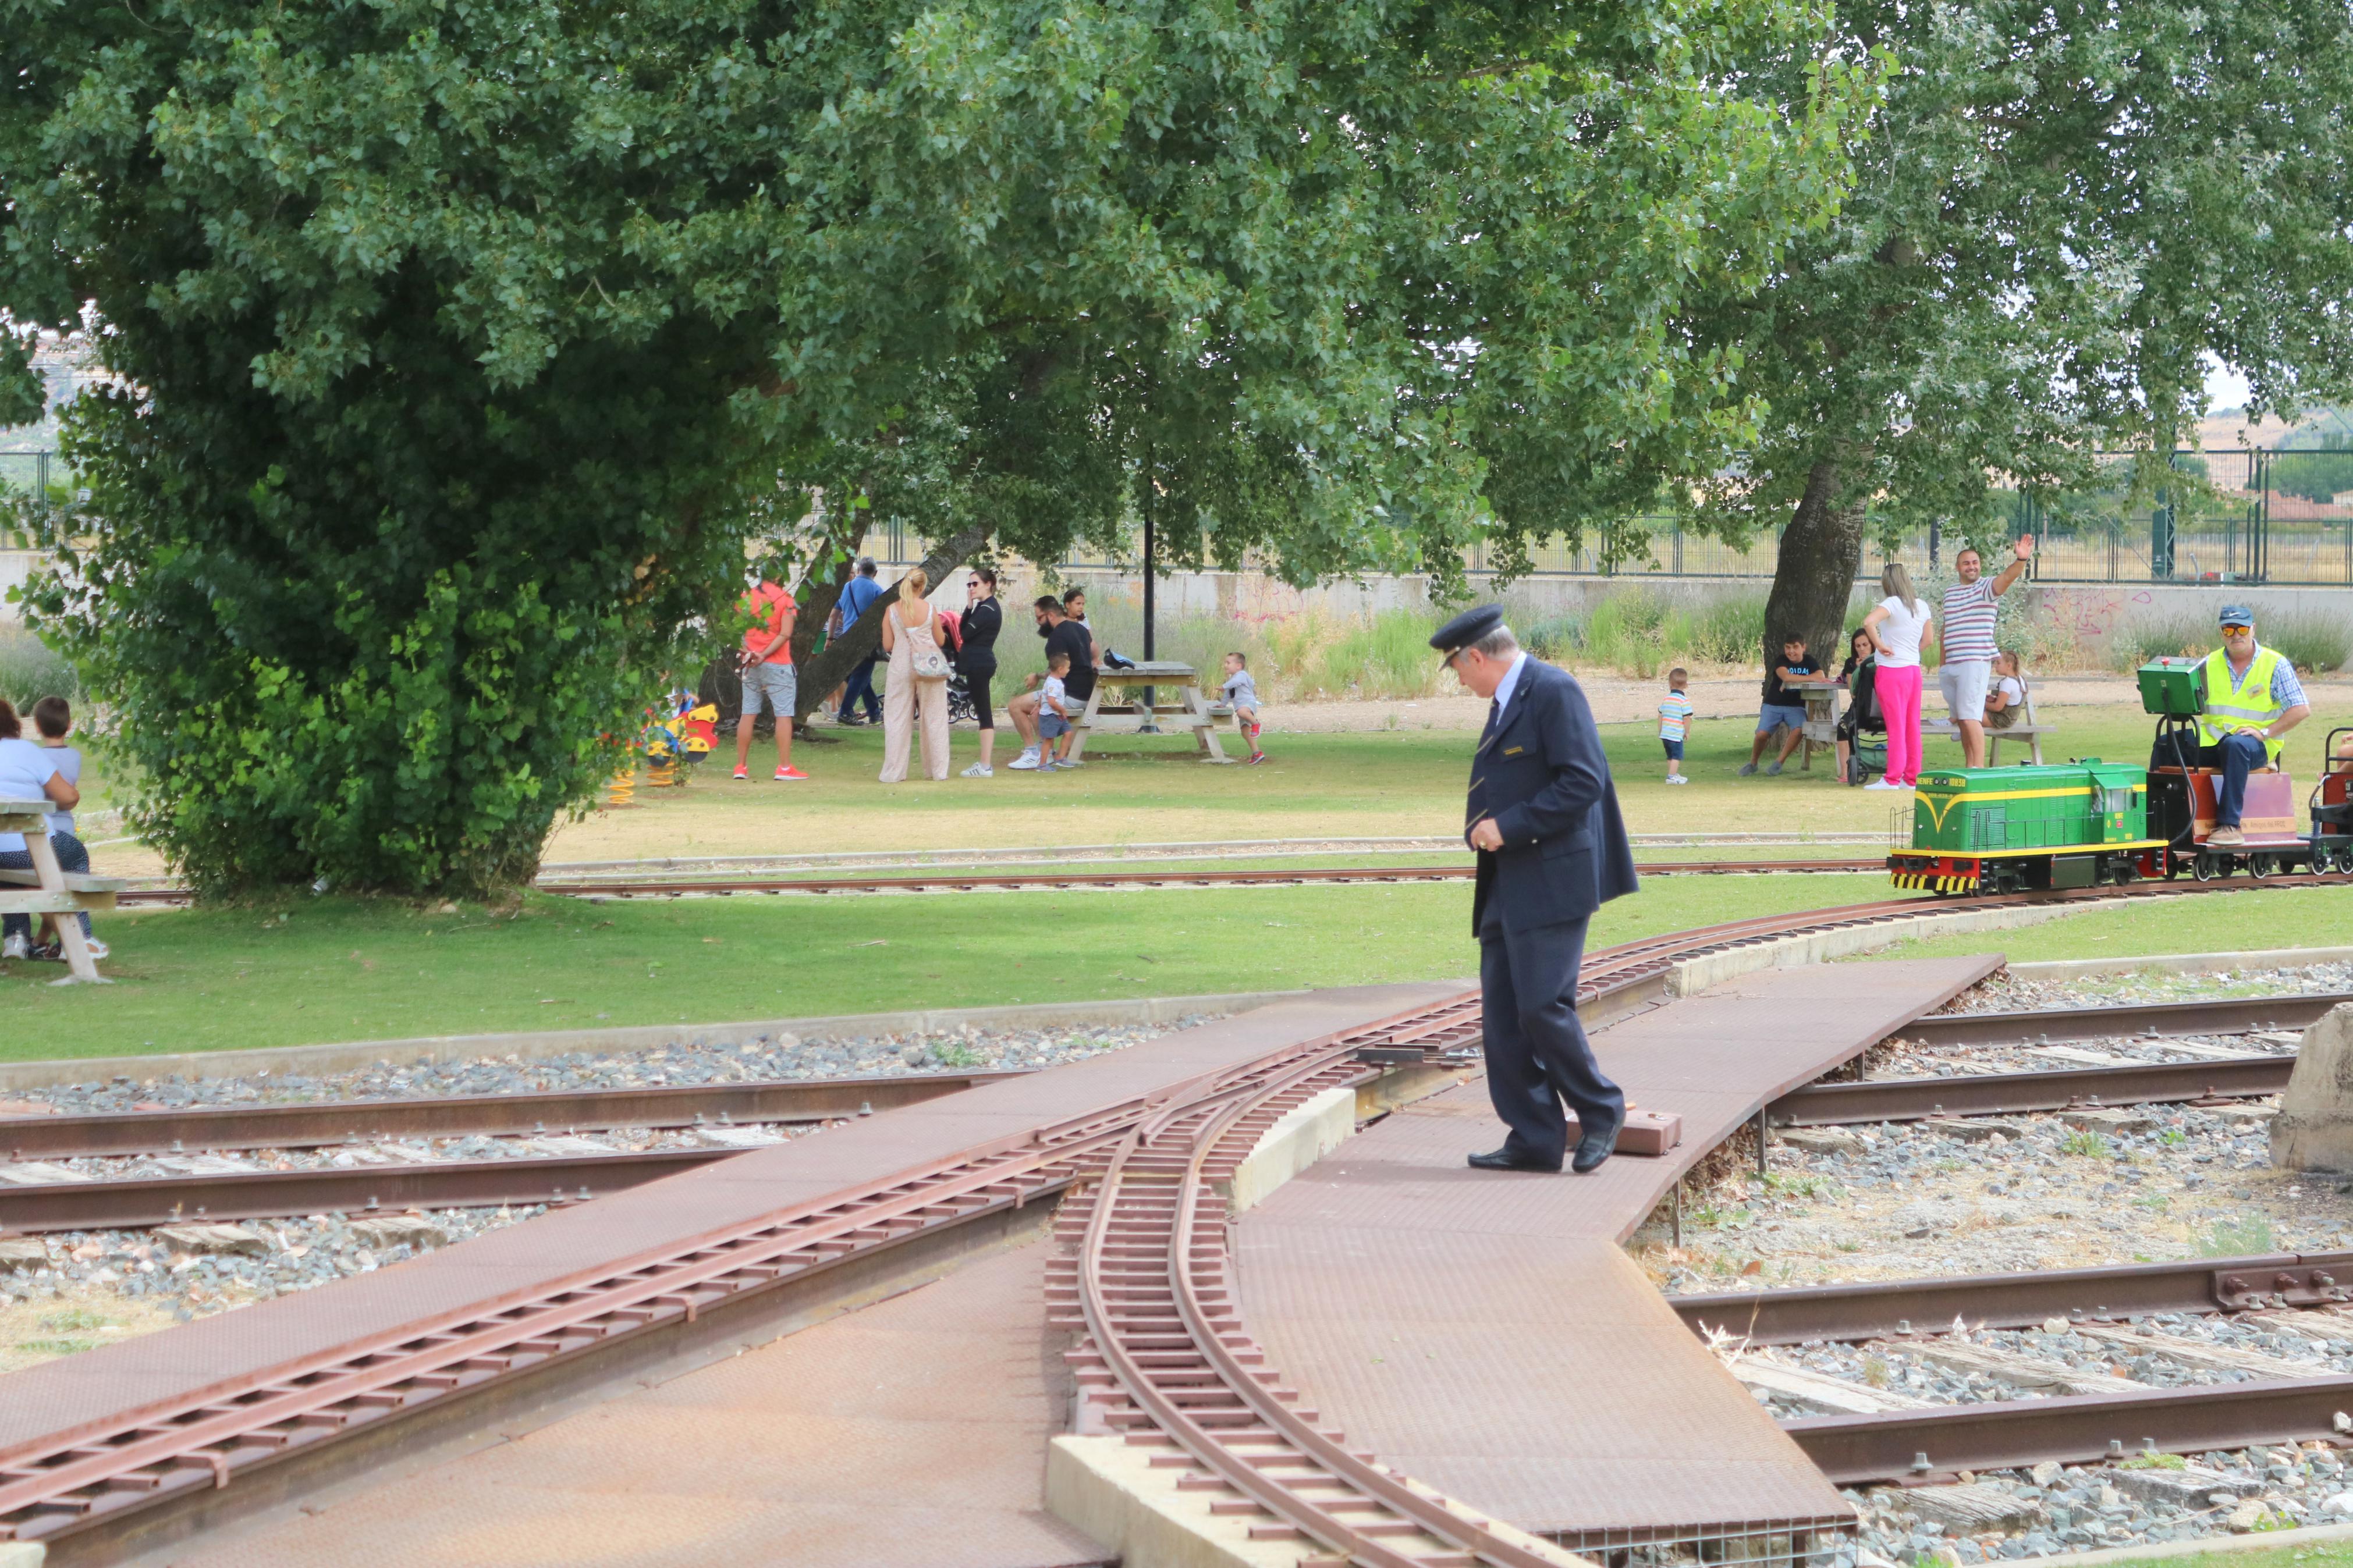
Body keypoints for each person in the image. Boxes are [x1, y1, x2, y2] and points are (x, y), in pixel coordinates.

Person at [1433, 606, 1638, 1175]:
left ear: (1475, 656)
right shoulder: (1508, 698)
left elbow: (1583, 780)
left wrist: (1508, 824)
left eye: (1455, 668)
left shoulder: (1552, 690)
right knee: (1502, 1016)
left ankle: (1600, 1110)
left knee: (1542, 1006)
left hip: (1553, 877)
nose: (1458, 680)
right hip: (1508, 880)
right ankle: (1534, 1136)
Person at [2195, 606, 2311, 848]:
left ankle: (2230, 826)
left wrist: (2266, 733)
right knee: (2167, 743)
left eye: (2242, 629)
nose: (2236, 635)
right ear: (2221, 632)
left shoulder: (2275, 664)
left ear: (2253, 629)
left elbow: (2301, 709)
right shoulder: (2207, 664)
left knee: (2236, 746)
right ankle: (2158, 822)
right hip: (2214, 740)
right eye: (2229, 629)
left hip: (2258, 745)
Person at [0, 698, 102, 962]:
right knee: (76, 853)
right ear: (12, 723)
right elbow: (68, 797)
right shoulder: (26, 751)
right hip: (29, 849)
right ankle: (79, 938)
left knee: (9, 872)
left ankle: (16, 939)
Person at [1938, 535, 2035, 767]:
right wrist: (1943, 664)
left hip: (1974, 662)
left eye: (1975, 562)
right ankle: (1969, 766)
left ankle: (1979, 770)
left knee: (1971, 717)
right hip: (1951, 665)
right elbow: (1946, 629)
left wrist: (2021, 559)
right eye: (1966, 563)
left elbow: (2006, 578)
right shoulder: (1950, 593)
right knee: (1963, 718)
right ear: (1957, 567)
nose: (1972, 566)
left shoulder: (1986, 588)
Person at [732, 560, 808, 782]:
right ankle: (784, 767)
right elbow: (785, 634)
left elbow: (736, 631)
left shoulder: (745, 598)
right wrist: (764, 654)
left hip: (750, 662)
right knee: (783, 714)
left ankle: (741, 766)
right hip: (778, 663)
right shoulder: (785, 600)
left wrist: (749, 653)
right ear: (779, 576)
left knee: (748, 712)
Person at [1862, 564, 1932, 791]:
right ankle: (1911, 778)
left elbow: (1868, 622)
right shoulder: (1922, 606)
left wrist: (1880, 646)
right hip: (1913, 670)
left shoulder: (1891, 603)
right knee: (1912, 725)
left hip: (1892, 670)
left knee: (1896, 726)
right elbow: (1928, 640)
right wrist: (1911, 651)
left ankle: (1892, 778)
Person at [1007, 596, 1098, 770]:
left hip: (1069, 695)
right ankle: (1045, 751)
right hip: (1086, 694)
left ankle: (1033, 753)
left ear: (1050, 616)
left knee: (1015, 706)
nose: (1037, 622)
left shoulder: (1057, 637)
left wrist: (1037, 676)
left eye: (1039, 618)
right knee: (1036, 707)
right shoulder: (1081, 629)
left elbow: (1058, 669)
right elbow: (1092, 651)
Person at [878, 567, 952, 783]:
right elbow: (940, 640)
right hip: (928, 664)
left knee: (897, 718)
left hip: (901, 664)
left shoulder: (891, 610)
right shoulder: (930, 609)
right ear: (922, 587)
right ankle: (938, 771)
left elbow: (888, 645)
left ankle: (894, 772)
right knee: (935, 716)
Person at [1738, 635, 1815, 776]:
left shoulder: (1810, 661)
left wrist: (1794, 681)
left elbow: (1821, 676)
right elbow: (1786, 677)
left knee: (1799, 730)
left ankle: (1779, 763)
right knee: (1761, 734)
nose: (1791, 651)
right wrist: (1798, 680)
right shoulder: (1781, 660)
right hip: (1773, 704)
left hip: (1796, 706)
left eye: (1795, 647)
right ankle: (1753, 763)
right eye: (1788, 647)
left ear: (1804, 648)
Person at [958, 568, 1004, 777]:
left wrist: (970, 610)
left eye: (975, 584)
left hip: (980, 664)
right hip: (975, 663)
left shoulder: (989, 609)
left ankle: (985, 765)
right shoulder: (982, 607)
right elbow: (963, 629)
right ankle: (984, 764)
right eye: (969, 585)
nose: (971, 588)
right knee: (982, 711)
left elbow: (966, 634)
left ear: (989, 584)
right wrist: (969, 607)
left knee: (984, 713)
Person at [834, 557, 885, 726]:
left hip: (846, 638)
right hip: (866, 641)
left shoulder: (846, 588)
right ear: (875, 573)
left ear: (860, 569)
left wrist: (830, 638)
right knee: (861, 676)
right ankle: (846, 712)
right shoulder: (877, 590)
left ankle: (874, 712)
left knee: (860, 678)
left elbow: (835, 613)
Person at [1833, 628, 1883, 787]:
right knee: (1843, 726)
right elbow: (1853, 693)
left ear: (1873, 644)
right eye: (1858, 646)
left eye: (1865, 645)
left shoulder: (1883, 660)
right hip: (1860, 706)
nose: (1861, 649)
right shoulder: (1851, 663)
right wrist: (1859, 670)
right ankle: (1844, 771)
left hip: (1883, 706)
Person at [1033, 651, 1076, 771]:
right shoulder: (1053, 683)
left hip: (1058, 715)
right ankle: (1042, 764)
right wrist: (1063, 710)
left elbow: (1043, 694)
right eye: (1068, 668)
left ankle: (1060, 758)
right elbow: (1052, 701)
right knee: (1048, 739)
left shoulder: (1053, 681)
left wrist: (1038, 705)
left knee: (1068, 733)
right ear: (1060, 669)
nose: (1069, 670)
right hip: (1051, 716)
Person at [1220, 652, 1266, 764]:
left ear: (1238, 666)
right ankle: (1257, 754)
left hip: (1248, 704)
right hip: (1241, 707)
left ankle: (1256, 724)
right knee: (1245, 731)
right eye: (1225, 663)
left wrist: (1223, 686)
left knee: (1241, 712)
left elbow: (1235, 683)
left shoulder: (1241, 675)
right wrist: (1222, 705)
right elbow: (1228, 693)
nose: (1225, 665)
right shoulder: (1231, 680)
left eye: (1228, 663)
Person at [1656, 667, 1694, 785]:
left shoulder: (1666, 699)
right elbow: (1687, 718)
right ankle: (1671, 776)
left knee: (1670, 756)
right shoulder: (1684, 701)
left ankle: (1673, 773)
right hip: (1675, 734)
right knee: (1677, 756)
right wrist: (1687, 732)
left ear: (1670, 684)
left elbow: (1660, 716)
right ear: (1686, 685)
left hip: (1665, 734)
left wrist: (1661, 730)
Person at [1983, 650, 2027, 732]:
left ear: (2009, 666)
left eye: (1998, 663)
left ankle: (1963, 733)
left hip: (2002, 720)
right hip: (2011, 719)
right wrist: (1995, 699)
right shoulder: (2020, 679)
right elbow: (2010, 700)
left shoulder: (2007, 683)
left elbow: (1997, 707)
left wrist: (1981, 703)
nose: (1995, 666)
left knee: (1969, 716)